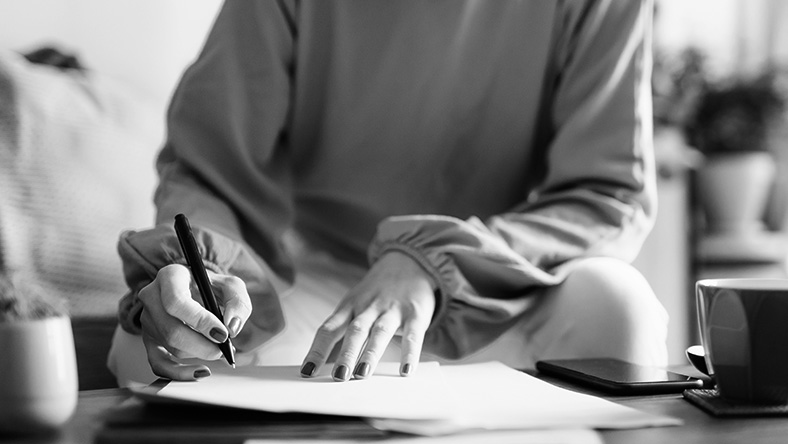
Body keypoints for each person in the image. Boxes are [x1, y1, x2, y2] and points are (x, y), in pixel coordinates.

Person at [108, 0, 668, 386]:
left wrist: (431, 262)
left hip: (495, 290)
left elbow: (607, 192)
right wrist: (202, 275)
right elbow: (207, 167)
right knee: (153, 349)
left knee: (621, 310)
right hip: (317, 292)